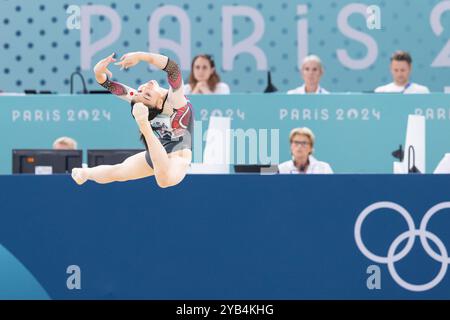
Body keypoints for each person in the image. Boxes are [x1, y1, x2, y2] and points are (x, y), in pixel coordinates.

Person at [71, 51, 193, 188]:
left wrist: (98, 73)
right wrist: (141, 56)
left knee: (119, 172)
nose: (144, 89)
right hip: (172, 154)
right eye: (146, 94)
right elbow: (173, 69)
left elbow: (109, 85)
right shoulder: (174, 101)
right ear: (158, 103)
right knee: (122, 172)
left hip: (164, 155)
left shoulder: (143, 100)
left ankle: (87, 173)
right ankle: (85, 173)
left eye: (141, 92)